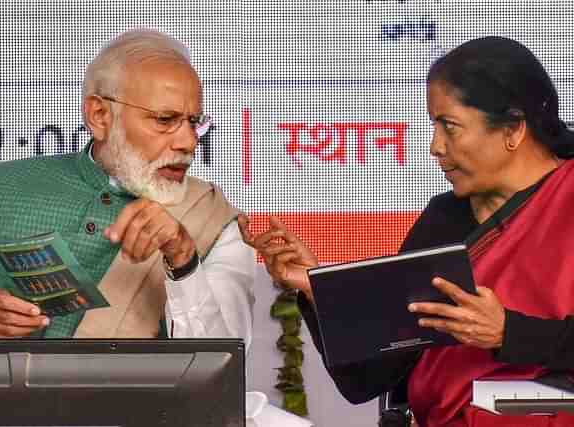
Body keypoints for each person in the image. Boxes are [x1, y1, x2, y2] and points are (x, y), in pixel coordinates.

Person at [239, 36, 574, 427]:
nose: (435, 146)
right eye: (435, 126)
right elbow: (366, 379)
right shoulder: (444, 218)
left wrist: (508, 331)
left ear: (513, 129)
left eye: (450, 126)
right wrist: (319, 290)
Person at [0, 28, 255, 345]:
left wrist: (183, 258)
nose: (188, 142)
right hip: (2, 397)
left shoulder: (216, 219)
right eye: (164, 119)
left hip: (138, 399)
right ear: (100, 116)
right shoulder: (3, 186)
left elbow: (225, 364)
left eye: (194, 121)